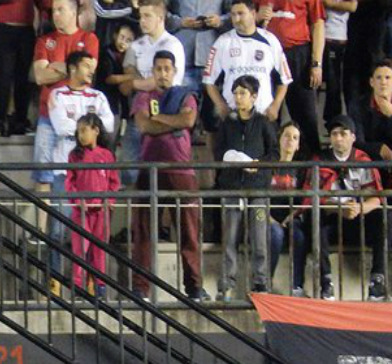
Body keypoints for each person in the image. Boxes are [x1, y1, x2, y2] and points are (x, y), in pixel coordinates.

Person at [131, 50, 205, 301]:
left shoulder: (186, 95)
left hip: (181, 169)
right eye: (158, 68)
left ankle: (194, 286)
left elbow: (188, 120)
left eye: (167, 68)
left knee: (189, 231)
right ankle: (141, 287)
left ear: (174, 71)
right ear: (152, 71)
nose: (163, 73)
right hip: (148, 169)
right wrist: (172, 122)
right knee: (143, 231)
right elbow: (144, 125)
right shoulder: (143, 96)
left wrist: (159, 118)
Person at [294, 113, 387, 300]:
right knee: (314, 218)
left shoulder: (363, 160)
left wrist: (359, 208)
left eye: (343, 133)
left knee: (384, 218)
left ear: (353, 137)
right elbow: (311, 200)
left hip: (358, 221)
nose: (338, 138)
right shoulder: (319, 160)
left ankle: (377, 280)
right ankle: (325, 281)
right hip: (331, 221)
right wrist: (338, 209)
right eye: (334, 134)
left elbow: (377, 197)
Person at [44, 52, 114, 286]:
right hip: (65, 173)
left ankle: (93, 283)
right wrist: (88, 127)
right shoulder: (57, 94)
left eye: (92, 65)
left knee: (94, 236)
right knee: (58, 231)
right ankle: (54, 281)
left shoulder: (99, 96)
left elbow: (110, 124)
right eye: (86, 65)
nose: (91, 70)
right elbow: (60, 124)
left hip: (93, 177)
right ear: (72, 68)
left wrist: (82, 128)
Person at [214, 75, 278, 299]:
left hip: (258, 189)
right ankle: (227, 284)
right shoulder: (227, 124)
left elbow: (274, 154)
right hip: (232, 186)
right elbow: (218, 152)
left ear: (254, 97)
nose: (239, 98)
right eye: (236, 93)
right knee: (230, 238)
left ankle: (260, 283)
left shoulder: (263, 123)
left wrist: (258, 166)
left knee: (259, 238)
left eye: (243, 93)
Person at [31, 0, 99, 199]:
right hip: (47, 116)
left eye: (61, 10)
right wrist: (72, 67)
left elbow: (87, 73)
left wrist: (56, 66)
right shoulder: (44, 40)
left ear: (73, 12)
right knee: (43, 176)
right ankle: (41, 230)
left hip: (80, 119)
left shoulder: (89, 39)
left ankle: (77, 228)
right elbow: (40, 77)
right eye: (53, 10)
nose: (55, 14)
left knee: (81, 175)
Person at [120, 0, 186, 185]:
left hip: (165, 111)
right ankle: (134, 209)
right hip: (139, 111)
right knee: (129, 167)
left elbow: (161, 82)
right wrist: (137, 82)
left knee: (164, 170)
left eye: (147, 16)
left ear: (160, 18)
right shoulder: (136, 45)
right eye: (141, 16)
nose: (142, 21)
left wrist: (135, 82)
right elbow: (128, 70)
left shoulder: (172, 45)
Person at [202, 0, 290, 131]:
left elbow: (284, 80)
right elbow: (209, 81)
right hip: (233, 116)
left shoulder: (270, 41)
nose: (236, 19)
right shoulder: (222, 42)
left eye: (240, 14)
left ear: (253, 14)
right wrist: (221, 106)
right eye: (233, 15)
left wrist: (275, 106)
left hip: (263, 114)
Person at [257, 0, 325, 153]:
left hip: (298, 54)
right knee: (269, 115)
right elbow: (245, 16)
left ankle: (312, 169)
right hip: (267, 55)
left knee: (306, 116)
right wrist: (256, 16)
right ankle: (270, 167)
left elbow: (318, 24)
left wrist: (316, 63)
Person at [66, 114, 120, 297]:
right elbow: (70, 182)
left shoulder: (107, 155)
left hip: (101, 211)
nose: (80, 135)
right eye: (78, 131)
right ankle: (78, 285)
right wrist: (77, 199)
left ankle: (100, 285)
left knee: (99, 250)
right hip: (81, 211)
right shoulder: (74, 156)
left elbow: (114, 182)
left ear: (96, 131)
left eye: (84, 130)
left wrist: (109, 200)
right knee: (80, 248)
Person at [0, 0, 35, 136]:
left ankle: (20, 121)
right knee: (4, 76)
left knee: (23, 78)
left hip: (26, 29)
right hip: (3, 27)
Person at [269, 121, 307, 294]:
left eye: (295, 138)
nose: (290, 140)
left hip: (291, 216)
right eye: (286, 136)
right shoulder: (268, 166)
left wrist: (292, 215)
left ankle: (297, 285)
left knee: (298, 236)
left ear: (298, 145)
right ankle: (265, 281)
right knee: (275, 234)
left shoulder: (300, 169)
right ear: (279, 139)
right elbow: (259, 196)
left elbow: (303, 199)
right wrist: (270, 218)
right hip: (267, 217)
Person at [97, 21, 138, 148]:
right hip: (107, 102)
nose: (123, 42)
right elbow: (109, 78)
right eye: (122, 37)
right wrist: (133, 76)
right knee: (107, 140)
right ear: (115, 36)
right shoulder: (106, 52)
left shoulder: (131, 56)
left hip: (122, 104)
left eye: (129, 40)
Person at [322, 0, 357, 122]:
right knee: (312, 82)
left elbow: (352, 6)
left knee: (334, 83)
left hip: (336, 38)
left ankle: (333, 121)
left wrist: (329, 3)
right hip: (315, 36)